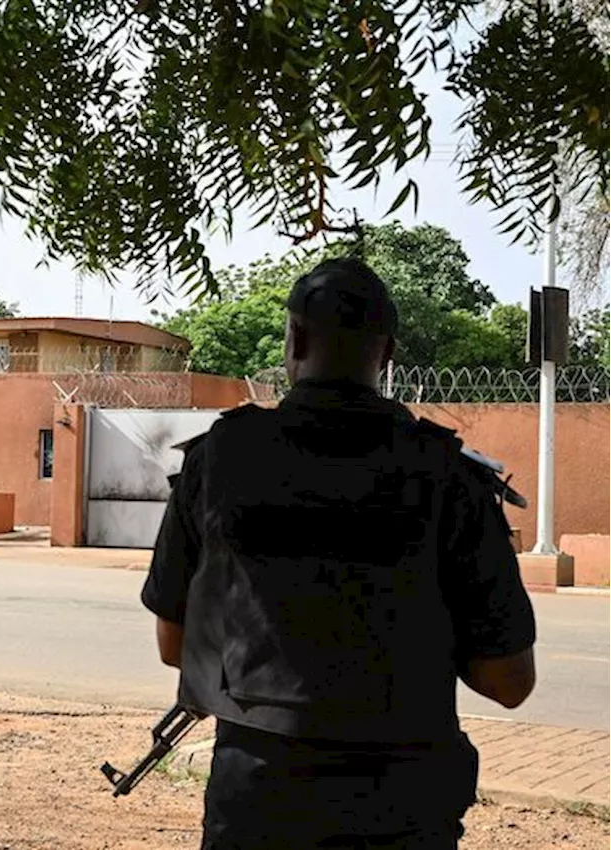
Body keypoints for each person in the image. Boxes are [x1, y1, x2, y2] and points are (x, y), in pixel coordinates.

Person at [140, 257, 537, 850]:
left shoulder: (220, 458)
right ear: (388, 354)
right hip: (403, 809)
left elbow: (176, 646)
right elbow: (508, 681)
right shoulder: (450, 477)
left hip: (259, 802)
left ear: (294, 339)